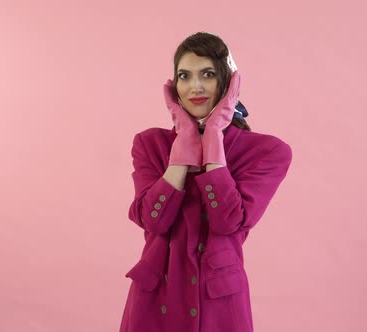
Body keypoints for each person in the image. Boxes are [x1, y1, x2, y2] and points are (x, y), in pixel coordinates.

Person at [119, 32, 293, 332]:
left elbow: (227, 222)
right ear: (174, 87)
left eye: (208, 74)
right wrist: (183, 146)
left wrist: (213, 136)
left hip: (217, 303)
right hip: (155, 297)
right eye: (184, 76)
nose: (195, 87)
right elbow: (153, 220)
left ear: (228, 82)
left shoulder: (267, 152)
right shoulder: (150, 144)